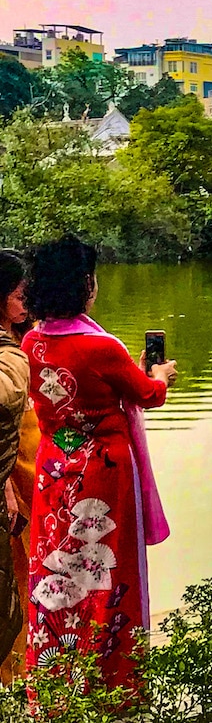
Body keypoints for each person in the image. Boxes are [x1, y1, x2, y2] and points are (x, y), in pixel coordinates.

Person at [21, 236, 177, 688]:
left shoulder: (32, 341)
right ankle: (112, 676)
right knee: (106, 566)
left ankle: (55, 671)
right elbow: (148, 395)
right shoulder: (101, 348)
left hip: (55, 465)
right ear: (86, 284)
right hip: (102, 468)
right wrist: (160, 374)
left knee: (56, 562)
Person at [0, 249, 36, 683]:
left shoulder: (24, 343)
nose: (29, 299)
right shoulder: (13, 356)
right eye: (20, 292)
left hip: (26, 474)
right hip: (15, 475)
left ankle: (21, 672)